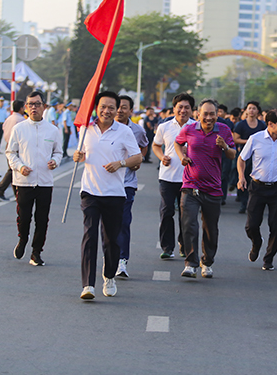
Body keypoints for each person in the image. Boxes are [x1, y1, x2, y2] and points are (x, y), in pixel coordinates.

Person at [75, 91, 142, 300]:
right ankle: (87, 285)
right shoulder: (86, 129)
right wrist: (79, 156)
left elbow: (137, 157)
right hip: (90, 191)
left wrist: (120, 163)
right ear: (96, 108)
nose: (107, 111)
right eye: (103, 106)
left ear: (117, 110)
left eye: (111, 107)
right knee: (90, 235)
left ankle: (109, 275)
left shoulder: (123, 131)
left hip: (114, 193)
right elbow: (83, 154)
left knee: (111, 240)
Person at [174, 98, 236, 279]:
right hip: (190, 186)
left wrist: (224, 146)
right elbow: (178, 142)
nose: (208, 117)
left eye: (212, 114)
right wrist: (181, 156)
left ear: (217, 115)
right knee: (189, 225)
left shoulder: (224, 130)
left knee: (210, 229)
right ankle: (190, 264)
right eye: (205, 114)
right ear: (198, 114)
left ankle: (207, 262)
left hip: (213, 189)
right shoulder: (189, 129)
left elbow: (233, 154)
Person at [6, 91, 63, 266]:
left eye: (37, 104)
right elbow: (10, 153)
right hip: (24, 181)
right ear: (26, 107)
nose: (33, 107)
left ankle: (36, 252)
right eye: (30, 104)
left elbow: (58, 152)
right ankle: (23, 239)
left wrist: (55, 161)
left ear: (44, 107)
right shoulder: (19, 129)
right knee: (24, 217)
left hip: (45, 182)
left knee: (42, 219)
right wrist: (20, 166)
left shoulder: (53, 130)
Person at [237, 109, 277, 271]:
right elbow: (242, 159)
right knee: (251, 225)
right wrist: (241, 177)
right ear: (270, 124)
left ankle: (268, 258)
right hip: (257, 187)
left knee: (276, 227)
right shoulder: (255, 139)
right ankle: (256, 242)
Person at [152, 93, 195, 259]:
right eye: (180, 107)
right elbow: (156, 145)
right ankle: (167, 247)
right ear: (174, 108)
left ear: (192, 110)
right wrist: (162, 157)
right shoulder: (165, 126)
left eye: (187, 107)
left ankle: (184, 245)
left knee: (186, 214)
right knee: (166, 211)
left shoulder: (196, 127)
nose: (183, 110)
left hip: (189, 177)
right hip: (167, 177)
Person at [113, 95, 149, 278]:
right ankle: (110, 255)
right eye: (117, 107)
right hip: (106, 183)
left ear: (130, 110)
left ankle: (122, 260)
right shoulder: (104, 128)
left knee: (124, 222)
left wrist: (138, 160)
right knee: (109, 224)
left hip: (127, 183)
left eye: (124, 107)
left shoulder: (137, 130)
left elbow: (144, 146)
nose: (120, 110)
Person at [233, 101, 267, 213]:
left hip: (258, 157)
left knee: (255, 180)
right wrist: (250, 142)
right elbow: (235, 139)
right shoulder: (241, 124)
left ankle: (254, 203)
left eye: (254, 108)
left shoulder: (262, 125)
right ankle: (243, 203)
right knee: (243, 178)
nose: (251, 110)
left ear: (258, 111)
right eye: (249, 108)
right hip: (244, 156)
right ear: (246, 110)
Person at [0, 100, 26, 201]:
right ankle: (0, 190)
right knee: (13, 170)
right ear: (21, 108)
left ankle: (17, 194)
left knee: (14, 170)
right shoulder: (21, 120)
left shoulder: (9, 118)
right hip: (17, 147)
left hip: (8, 144)